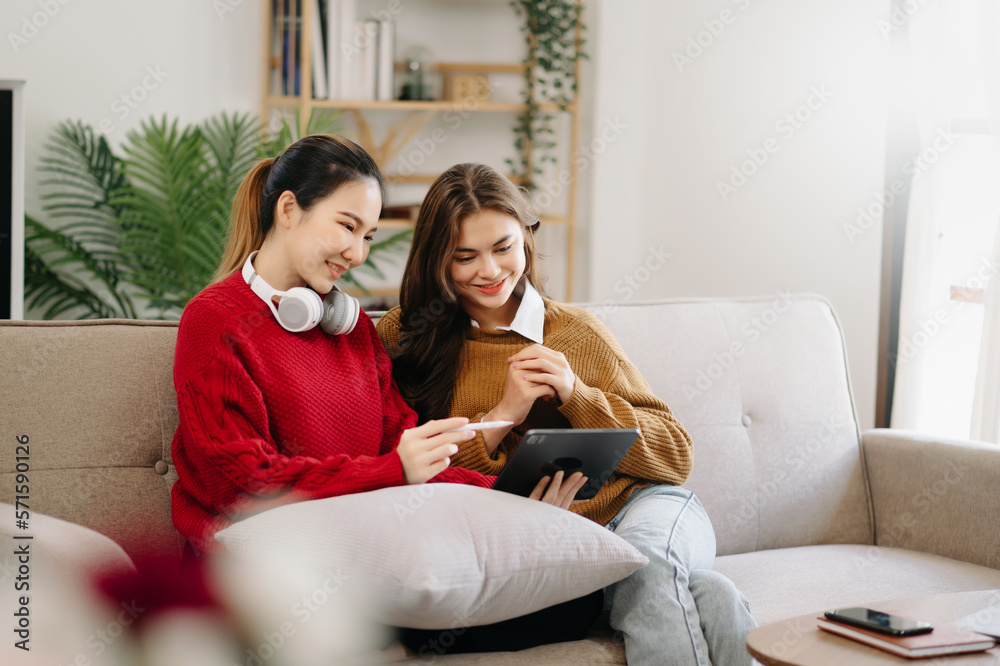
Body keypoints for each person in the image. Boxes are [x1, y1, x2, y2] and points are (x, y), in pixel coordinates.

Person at [376, 163, 758, 665]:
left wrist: (579, 395)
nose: (489, 271)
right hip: (562, 541)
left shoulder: (574, 332)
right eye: (464, 256)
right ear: (434, 260)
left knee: (646, 565)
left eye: (503, 247)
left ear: (526, 240)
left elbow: (675, 456)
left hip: (644, 506)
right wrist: (504, 414)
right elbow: (406, 471)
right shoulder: (405, 338)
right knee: (713, 598)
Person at [170, 135, 505, 555]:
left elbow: (406, 456)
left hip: (365, 553)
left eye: (368, 236)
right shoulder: (214, 320)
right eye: (348, 226)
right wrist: (391, 469)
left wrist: (509, 492)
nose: (358, 253)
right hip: (262, 572)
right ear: (289, 209)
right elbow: (239, 483)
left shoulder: (354, 329)